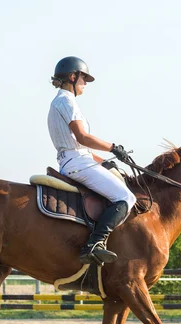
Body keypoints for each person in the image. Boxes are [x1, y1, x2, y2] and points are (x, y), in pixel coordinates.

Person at [47, 56, 137, 265]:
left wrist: (106, 161)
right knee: (126, 197)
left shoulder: (61, 101)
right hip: (77, 163)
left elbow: (80, 147)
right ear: (72, 76)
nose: (85, 83)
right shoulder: (66, 101)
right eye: (83, 78)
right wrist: (113, 147)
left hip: (76, 159)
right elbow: (82, 138)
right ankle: (95, 243)